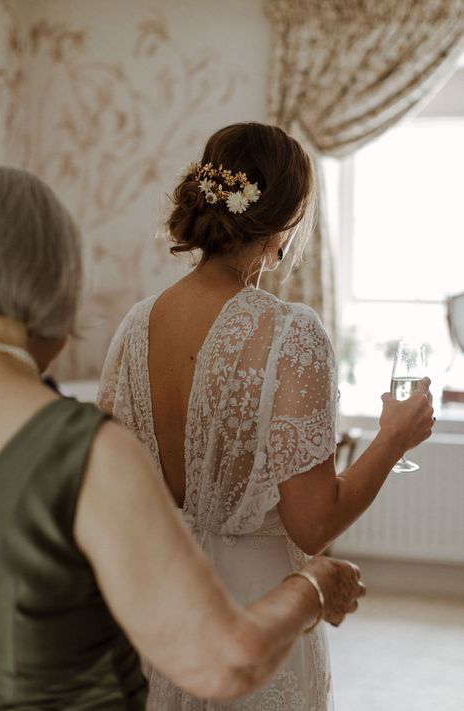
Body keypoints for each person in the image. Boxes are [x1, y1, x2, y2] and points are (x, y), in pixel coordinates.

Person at [0, 166, 365, 711]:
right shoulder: (84, 454)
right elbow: (225, 658)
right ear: (55, 292)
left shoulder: (138, 328)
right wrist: (314, 588)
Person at [98, 122, 435, 710]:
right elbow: (313, 525)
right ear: (288, 218)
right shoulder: (290, 334)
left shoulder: (134, 327)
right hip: (260, 605)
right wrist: (392, 438)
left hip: (162, 600)